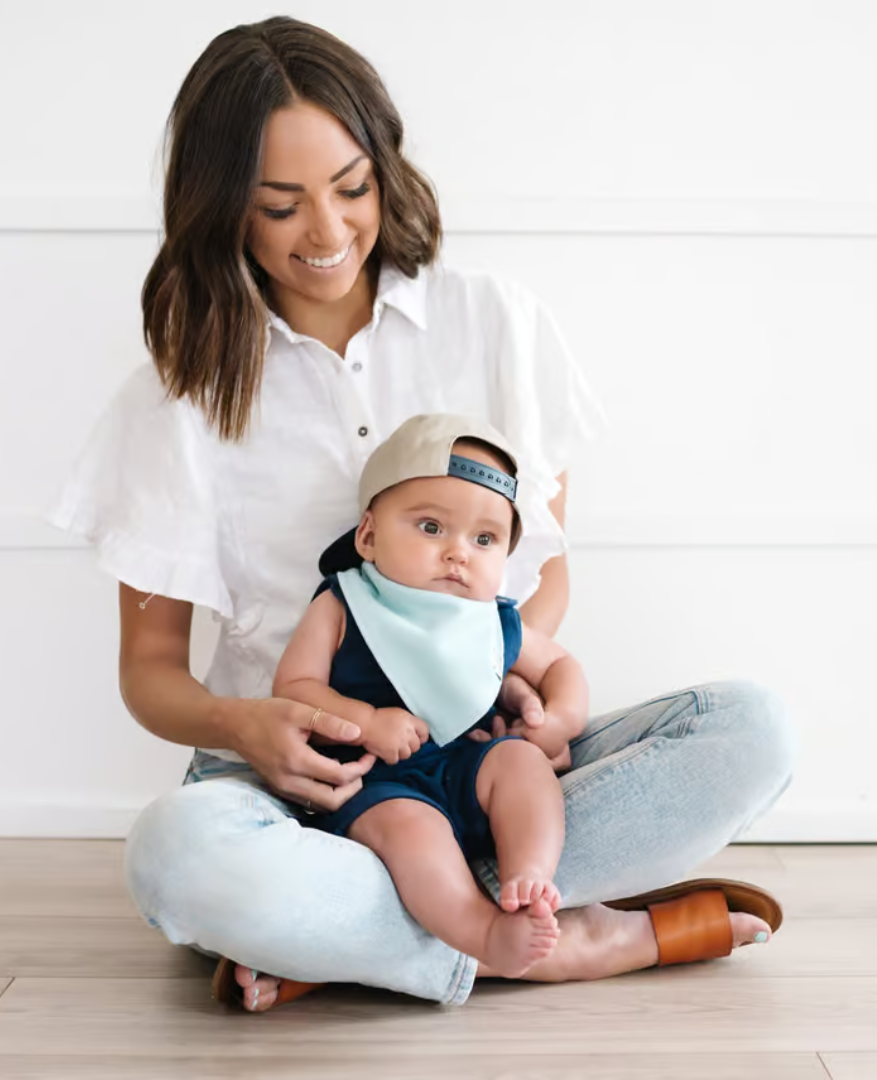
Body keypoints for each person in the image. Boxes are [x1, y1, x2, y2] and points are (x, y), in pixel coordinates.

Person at [49, 15, 796, 1013]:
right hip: (296, 789)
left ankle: (354, 938)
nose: (326, 234)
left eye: (351, 188)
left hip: (486, 760)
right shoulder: (176, 398)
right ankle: (558, 942)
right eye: (280, 206)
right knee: (176, 862)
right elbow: (150, 676)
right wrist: (249, 724)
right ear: (222, 208)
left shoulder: (498, 322)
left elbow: (548, 566)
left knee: (752, 732)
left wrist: (530, 687)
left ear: (385, 170)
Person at [276, 413, 591, 978]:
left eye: (485, 539)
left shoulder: (490, 622)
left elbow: (561, 665)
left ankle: (529, 876)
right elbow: (293, 691)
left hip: (469, 766)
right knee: (412, 832)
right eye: (430, 527)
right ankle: (482, 930)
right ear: (368, 536)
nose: (458, 553)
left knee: (520, 763)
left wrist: (559, 722)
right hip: (379, 783)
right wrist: (365, 720)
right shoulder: (345, 602)